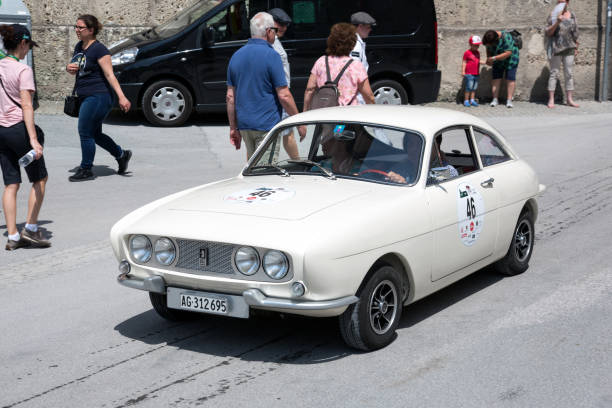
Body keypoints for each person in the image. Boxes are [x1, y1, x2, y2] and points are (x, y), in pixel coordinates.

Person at [226, 12, 302, 160]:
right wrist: (299, 121)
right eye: (275, 30)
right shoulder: (272, 55)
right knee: (265, 173)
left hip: (245, 125)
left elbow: (230, 97)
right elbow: (284, 95)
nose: (276, 34)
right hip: (266, 125)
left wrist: (233, 128)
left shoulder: (236, 56)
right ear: (268, 31)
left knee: (253, 168)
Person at [0, 24, 50, 250]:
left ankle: (12, 236)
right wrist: (33, 139)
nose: (29, 50)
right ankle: (30, 229)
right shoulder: (23, 70)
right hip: (19, 128)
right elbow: (27, 106)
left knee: (11, 184)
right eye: (29, 45)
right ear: (22, 43)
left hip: (1, 131)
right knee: (40, 178)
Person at [66, 14, 132, 182]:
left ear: (91, 30)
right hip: (84, 95)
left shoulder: (100, 49)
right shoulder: (79, 47)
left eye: (80, 27)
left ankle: (86, 168)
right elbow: (80, 67)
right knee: (95, 134)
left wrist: (122, 97)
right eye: (76, 27)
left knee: (85, 131)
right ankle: (121, 154)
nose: (77, 30)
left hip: (99, 96)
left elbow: (110, 75)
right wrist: (70, 68)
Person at [303, 23, 375, 111]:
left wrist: (305, 112)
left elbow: (309, 90)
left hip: (324, 115)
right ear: (352, 43)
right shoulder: (356, 65)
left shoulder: (321, 61)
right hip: (348, 115)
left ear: (330, 40)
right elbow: (369, 96)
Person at [268, 8, 301, 159]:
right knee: (286, 135)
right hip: (278, 96)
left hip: (276, 95)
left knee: (284, 135)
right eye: (280, 24)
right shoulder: (272, 45)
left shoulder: (273, 41)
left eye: (286, 25)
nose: (284, 28)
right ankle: (298, 164)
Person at [545, 0, 579, 108]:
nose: (562, 3)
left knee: (569, 73)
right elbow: (548, 32)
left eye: (564, 2)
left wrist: (576, 46)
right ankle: (551, 100)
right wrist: (557, 22)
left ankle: (569, 99)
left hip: (569, 47)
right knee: (554, 73)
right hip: (556, 48)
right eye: (560, 1)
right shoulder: (552, 15)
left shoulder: (572, 15)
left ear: (568, 3)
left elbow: (575, 32)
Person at [483, 30, 520, 108]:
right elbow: (488, 48)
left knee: (510, 79)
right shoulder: (489, 38)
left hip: (511, 60)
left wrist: (493, 58)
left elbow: (508, 52)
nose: (490, 45)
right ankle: (495, 99)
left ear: (497, 39)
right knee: (496, 79)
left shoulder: (506, 37)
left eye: (491, 44)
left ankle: (509, 100)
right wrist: (488, 58)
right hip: (497, 60)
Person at [350, 11, 376, 104]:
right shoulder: (355, 46)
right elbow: (355, 74)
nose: (370, 30)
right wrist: (369, 97)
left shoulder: (355, 42)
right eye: (368, 27)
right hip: (355, 98)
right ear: (360, 26)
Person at [462, 35, 483, 107]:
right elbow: (464, 62)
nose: (477, 47)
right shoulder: (467, 53)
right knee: (469, 87)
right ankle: (466, 100)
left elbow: (478, 61)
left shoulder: (478, 53)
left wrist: (483, 62)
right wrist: (463, 71)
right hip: (469, 73)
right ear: (470, 44)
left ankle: (472, 100)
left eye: (478, 45)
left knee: (474, 88)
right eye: (475, 45)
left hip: (476, 73)